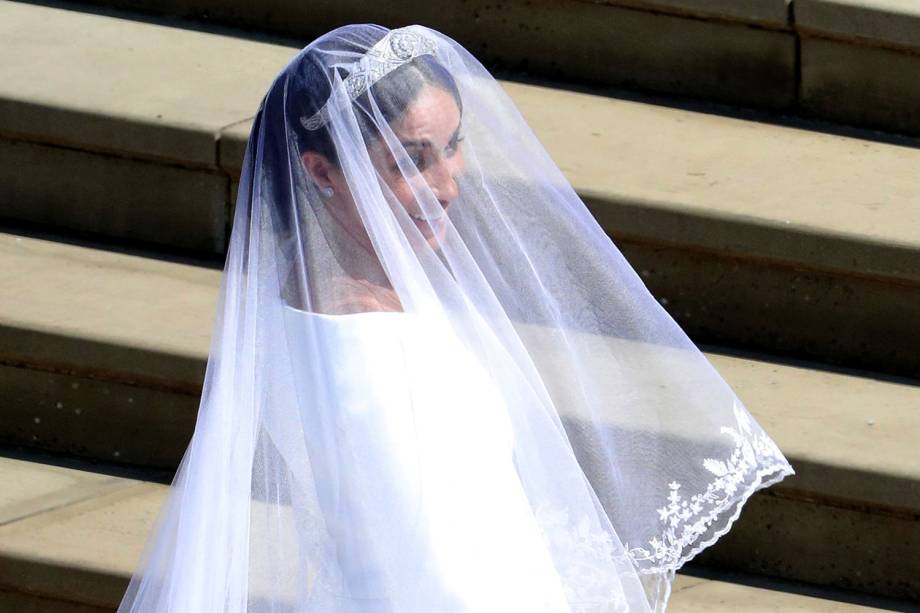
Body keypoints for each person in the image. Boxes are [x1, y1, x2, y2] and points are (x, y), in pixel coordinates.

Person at [117, 24, 793, 613]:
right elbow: (441, 571)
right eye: (410, 160)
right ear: (322, 170)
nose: (446, 183)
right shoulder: (363, 349)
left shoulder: (352, 289)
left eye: (452, 145)